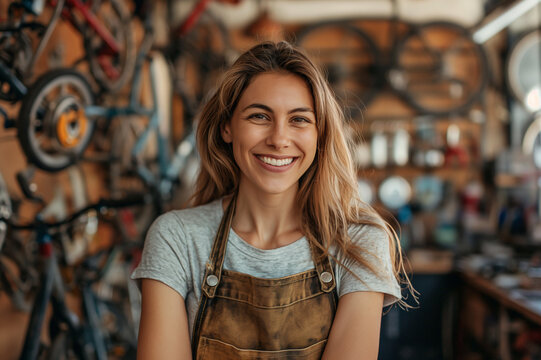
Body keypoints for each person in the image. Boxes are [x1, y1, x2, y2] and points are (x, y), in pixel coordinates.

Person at [132, 41, 413, 359]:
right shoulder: (176, 238)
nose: (279, 139)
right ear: (227, 127)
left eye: (299, 120)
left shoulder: (358, 243)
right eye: (259, 116)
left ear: (319, 134)